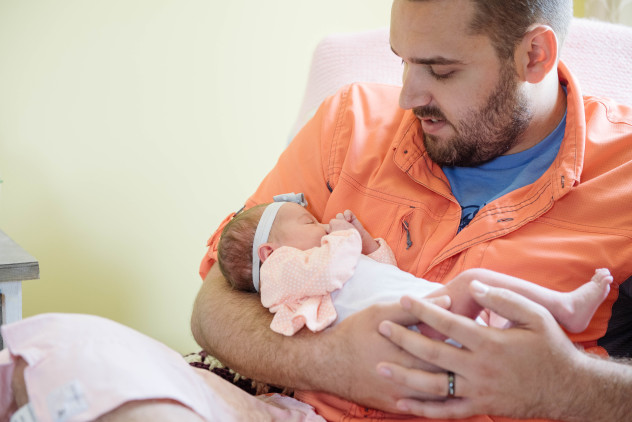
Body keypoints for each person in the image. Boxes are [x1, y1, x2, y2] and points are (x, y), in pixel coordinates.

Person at [191, 0, 632, 420]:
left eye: (440, 70)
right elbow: (214, 306)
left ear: (534, 55)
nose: (407, 97)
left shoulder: (623, 177)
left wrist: (567, 384)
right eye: (403, 61)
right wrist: (329, 360)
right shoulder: (349, 122)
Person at [217, 198, 611, 337]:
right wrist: (341, 236)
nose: (319, 225)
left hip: (417, 312)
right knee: (474, 283)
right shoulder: (279, 274)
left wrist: (366, 242)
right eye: (307, 223)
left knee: (483, 302)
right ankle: (564, 308)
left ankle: (538, 319)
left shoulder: (306, 268)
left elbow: (386, 272)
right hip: (413, 326)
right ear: (269, 251)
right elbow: (332, 269)